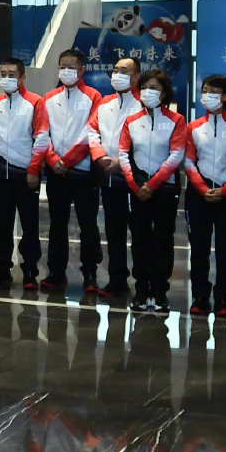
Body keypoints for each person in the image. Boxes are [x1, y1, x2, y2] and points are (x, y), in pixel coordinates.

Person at [117, 68, 187, 314]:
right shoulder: (131, 121)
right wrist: (136, 185)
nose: (148, 92)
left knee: (163, 241)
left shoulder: (176, 120)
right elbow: (123, 154)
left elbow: (176, 155)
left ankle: (159, 292)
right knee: (139, 240)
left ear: (164, 93)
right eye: (144, 88)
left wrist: (153, 184)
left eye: (154, 88)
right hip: (137, 190)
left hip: (165, 189)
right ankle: (141, 290)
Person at [43, 48, 104, 294]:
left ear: (81, 70)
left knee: (88, 225)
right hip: (56, 173)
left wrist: (67, 161)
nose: (66, 71)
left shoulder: (93, 96)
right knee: (57, 224)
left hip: (84, 173)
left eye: (71, 67)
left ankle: (90, 273)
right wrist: (52, 159)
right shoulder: (49, 97)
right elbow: (43, 133)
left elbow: (91, 133)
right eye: (62, 66)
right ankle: (56, 272)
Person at [184, 74, 226, 317]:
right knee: (199, 249)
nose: (207, 96)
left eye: (213, 92)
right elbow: (189, 161)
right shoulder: (193, 127)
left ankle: (222, 299)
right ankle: (200, 297)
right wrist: (202, 188)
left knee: (225, 250)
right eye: (205, 91)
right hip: (198, 195)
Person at [0, 57, 48, 291]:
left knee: (29, 226)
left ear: (22, 77)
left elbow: (41, 138)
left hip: (26, 176)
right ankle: (1, 270)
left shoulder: (35, 102)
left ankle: (30, 271)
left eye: (12, 74)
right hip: (0, 175)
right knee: (2, 226)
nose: (7, 78)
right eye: (3, 74)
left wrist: (33, 170)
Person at [87, 57, 141, 299]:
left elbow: (146, 141)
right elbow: (92, 131)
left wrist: (123, 162)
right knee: (114, 232)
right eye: (115, 69)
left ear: (136, 76)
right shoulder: (105, 103)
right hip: (108, 179)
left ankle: (144, 284)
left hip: (134, 180)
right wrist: (100, 157)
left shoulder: (143, 104)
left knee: (139, 234)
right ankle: (117, 279)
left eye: (124, 71)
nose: (117, 74)